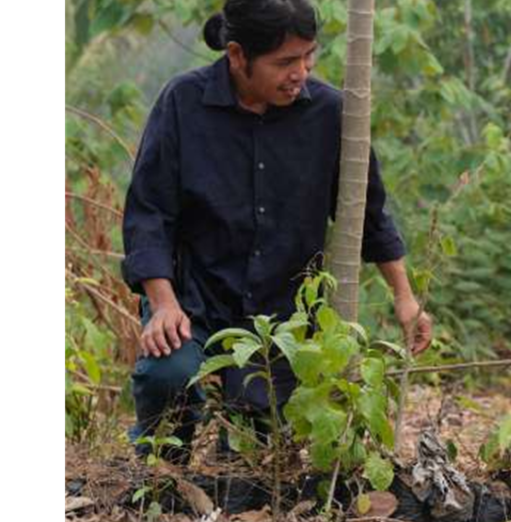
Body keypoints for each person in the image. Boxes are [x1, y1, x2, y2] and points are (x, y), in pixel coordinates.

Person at [122, 0, 432, 463]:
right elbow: (148, 211)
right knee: (169, 374)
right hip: (193, 297)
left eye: (308, 56)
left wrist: (405, 297)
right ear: (237, 56)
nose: (300, 72)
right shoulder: (183, 103)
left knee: (255, 455)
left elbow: (368, 212)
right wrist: (163, 304)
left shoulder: (330, 114)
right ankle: (160, 474)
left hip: (279, 317)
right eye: (285, 62)